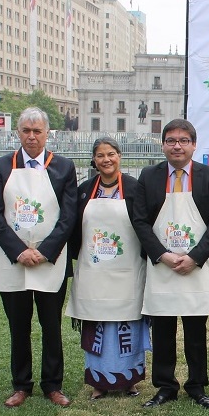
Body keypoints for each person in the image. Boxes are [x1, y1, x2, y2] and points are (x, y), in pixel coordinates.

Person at [132, 118, 209, 409]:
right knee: (162, 329)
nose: (177, 145)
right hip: (163, 265)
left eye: (183, 140)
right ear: (163, 145)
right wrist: (162, 254)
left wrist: (195, 257)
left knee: (196, 329)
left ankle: (197, 386)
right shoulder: (149, 176)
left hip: (196, 265)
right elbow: (140, 221)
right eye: (171, 140)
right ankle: (165, 386)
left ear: (194, 145)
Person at [0, 107, 78, 408]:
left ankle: (53, 385)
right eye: (26, 130)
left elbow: (68, 216)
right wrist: (19, 251)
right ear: (18, 133)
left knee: (51, 326)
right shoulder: (2, 166)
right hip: (13, 261)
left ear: (47, 134)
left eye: (37, 131)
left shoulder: (63, 167)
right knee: (19, 326)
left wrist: (44, 251)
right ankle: (21, 384)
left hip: (49, 260)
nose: (31, 136)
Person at [65, 137, 151, 400]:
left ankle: (129, 380)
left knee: (128, 325)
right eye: (101, 155)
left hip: (127, 271)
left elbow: (145, 226)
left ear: (119, 156)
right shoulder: (84, 190)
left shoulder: (136, 189)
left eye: (111, 154)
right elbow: (73, 229)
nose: (106, 160)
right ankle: (99, 382)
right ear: (94, 160)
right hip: (94, 272)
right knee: (97, 325)